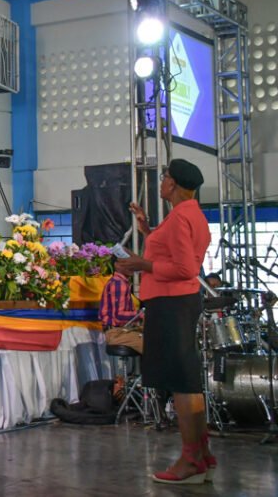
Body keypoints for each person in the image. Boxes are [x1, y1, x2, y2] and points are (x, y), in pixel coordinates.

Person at [116, 159, 212, 484]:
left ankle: (189, 460)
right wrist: (146, 229)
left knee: (181, 381)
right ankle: (201, 453)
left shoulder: (182, 216)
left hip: (172, 302)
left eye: (164, 177)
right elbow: (171, 252)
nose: (161, 182)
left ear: (173, 184)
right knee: (187, 379)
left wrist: (142, 263)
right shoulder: (191, 214)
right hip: (178, 302)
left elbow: (186, 269)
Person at [99, 270, 143, 353]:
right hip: (115, 332)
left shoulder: (123, 282)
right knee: (153, 344)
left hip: (123, 329)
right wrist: (141, 314)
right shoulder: (118, 283)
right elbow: (119, 316)